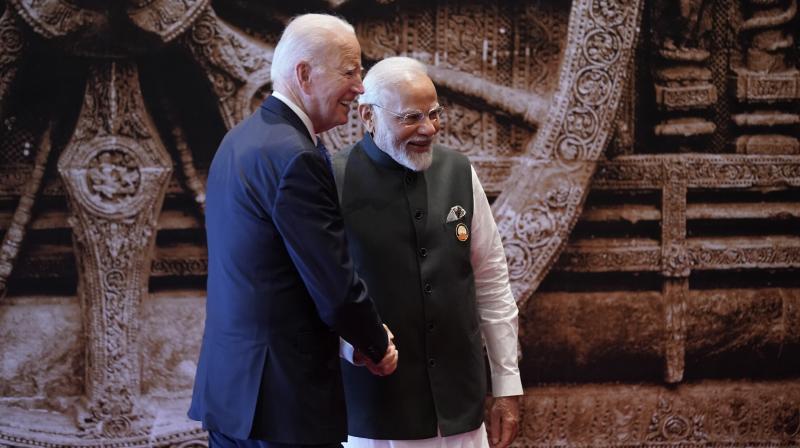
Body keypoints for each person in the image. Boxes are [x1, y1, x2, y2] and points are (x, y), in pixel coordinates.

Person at [189, 14, 398, 448]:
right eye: (350, 71)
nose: (360, 86)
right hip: (282, 404)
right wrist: (376, 344)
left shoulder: (240, 140)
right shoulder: (295, 157)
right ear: (304, 74)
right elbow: (334, 286)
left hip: (234, 394)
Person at [333, 56, 522, 448]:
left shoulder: (458, 171)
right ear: (368, 116)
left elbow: (491, 281)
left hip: (461, 412)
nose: (429, 128)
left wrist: (506, 384)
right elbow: (311, 295)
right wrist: (357, 346)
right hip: (373, 416)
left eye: (435, 114)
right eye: (411, 118)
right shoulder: (331, 180)